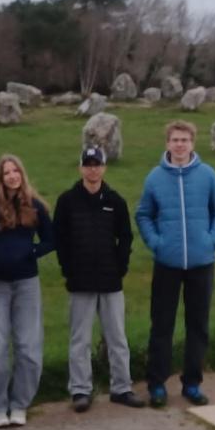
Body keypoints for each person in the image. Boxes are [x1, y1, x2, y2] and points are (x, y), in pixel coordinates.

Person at [135, 119, 215, 408]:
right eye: (175, 140)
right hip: (167, 263)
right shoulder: (154, 177)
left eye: (185, 140)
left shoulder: (207, 175)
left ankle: (192, 383)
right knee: (162, 325)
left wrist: (211, 240)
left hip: (201, 262)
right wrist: (157, 243)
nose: (180, 145)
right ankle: (156, 384)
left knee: (197, 325)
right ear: (167, 143)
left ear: (193, 143)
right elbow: (143, 214)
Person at [53, 146, 143, 412]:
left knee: (117, 336)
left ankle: (122, 387)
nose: (93, 169)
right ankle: (80, 390)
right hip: (80, 281)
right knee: (79, 339)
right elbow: (60, 239)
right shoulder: (67, 201)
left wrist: (120, 267)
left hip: (110, 280)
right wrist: (67, 269)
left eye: (97, 164)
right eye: (88, 164)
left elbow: (125, 237)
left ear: (104, 167)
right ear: (81, 168)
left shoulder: (115, 201)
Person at [0, 155, 54, 427]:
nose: (11, 176)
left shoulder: (34, 205)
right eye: (6, 172)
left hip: (27, 284)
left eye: (15, 171)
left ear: (22, 174)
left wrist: (31, 251)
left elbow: (51, 238)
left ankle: (20, 402)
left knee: (28, 347)